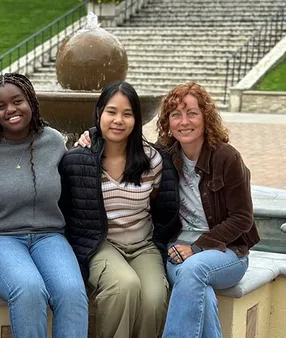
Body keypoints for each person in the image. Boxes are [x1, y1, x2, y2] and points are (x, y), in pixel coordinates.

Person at [0, 73, 88, 338]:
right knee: (29, 288)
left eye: (17, 101)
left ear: (31, 100)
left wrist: (91, 139)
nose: (10, 110)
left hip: (48, 236)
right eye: (1, 106)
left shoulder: (53, 141)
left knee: (71, 292)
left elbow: (71, 189)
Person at [59, 81, 180, 338]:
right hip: (101, 244)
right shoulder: (78, 159)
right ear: (100, 113)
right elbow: (66, 210)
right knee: (124, 286)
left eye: (127, 113)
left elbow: (165, 208)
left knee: (154, 297)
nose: (118, 120)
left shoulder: (153, 160)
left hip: (143, 245)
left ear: (136, 119)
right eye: (111, 112)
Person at [157, 82, 259, 338]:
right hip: (177, 248)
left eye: (192, 113)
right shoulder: (166, 157)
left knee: (194, 270)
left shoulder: (227, 158)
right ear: (167, 121)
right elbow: (126, 147)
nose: (184, 122)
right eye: (175, 114)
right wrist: (90, 135)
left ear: (206, 117)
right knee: (200, 291)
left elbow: (242, 219)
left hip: (227, 251)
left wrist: (197, 248)